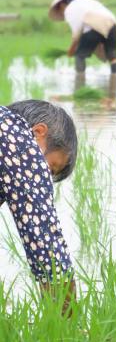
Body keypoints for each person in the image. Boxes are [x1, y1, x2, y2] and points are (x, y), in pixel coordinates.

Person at [0, 100, 79, 313]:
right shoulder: (19, 140)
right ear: (38, 132)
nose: (44, 177)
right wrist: (67, 336)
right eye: (51, 169)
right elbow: (48, 249)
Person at [48, 0, 116, 74]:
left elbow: (76, 35)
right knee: (113, 57)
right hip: (113, 24)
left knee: (79, 56)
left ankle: (79, 79)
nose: (62, 13)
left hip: (93, 26)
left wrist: (71, 50)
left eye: (60, 10)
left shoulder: (69, 9)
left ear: (61, 5)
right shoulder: (89, 2)